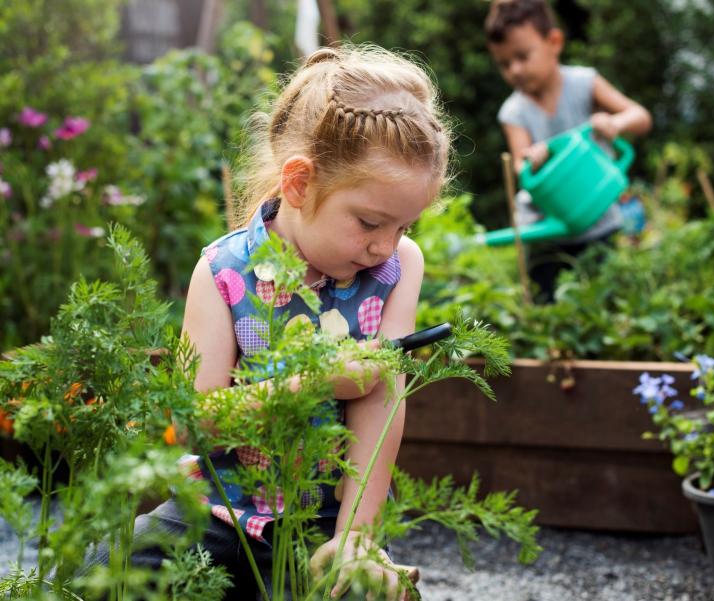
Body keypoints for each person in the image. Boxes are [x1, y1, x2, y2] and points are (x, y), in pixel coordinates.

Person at [87, 45, 450, 600]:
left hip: (324, 522)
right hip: (220, 511)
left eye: (404, 226)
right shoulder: (224, 271)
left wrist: (355, 538)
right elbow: (198, 421)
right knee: (102, 575)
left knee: (360, 589)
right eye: (371, 223)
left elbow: (382, 406)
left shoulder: (398, 269)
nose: (386, 246)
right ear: (300, 184)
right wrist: (315, 383)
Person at [485, 0, 652, 301]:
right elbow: (520, 168)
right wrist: (532, 160)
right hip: (546, 229)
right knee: (546, 305)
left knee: (606, 302)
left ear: (554, 42)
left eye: (522, 56)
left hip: (597, 220)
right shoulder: (513, 111)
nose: (515, 70)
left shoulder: (584, 83)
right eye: (505, 64)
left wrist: (614, 123)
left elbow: (640, 117)